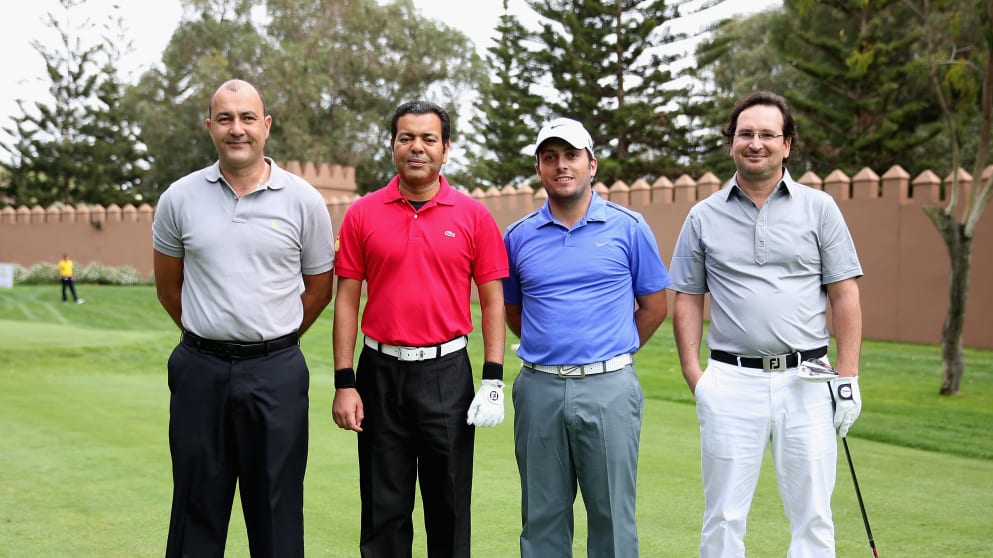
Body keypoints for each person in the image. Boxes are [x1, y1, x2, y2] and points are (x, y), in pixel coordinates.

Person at [670, 91, 864, 557]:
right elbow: (688, 299)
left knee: (814, 515)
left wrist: (849, 375)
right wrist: (695, 376)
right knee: (723, 517)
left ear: (787, 144)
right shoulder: (703, 216)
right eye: (745, 134)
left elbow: (845, 294)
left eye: (767, 135)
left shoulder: (820, 209)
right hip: (732, 380)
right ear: (731, 142)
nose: (755, 143)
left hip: (808, 380)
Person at [152, 78, 335, 557]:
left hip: (276, 372)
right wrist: (209, 335)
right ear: (209, 126)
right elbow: (169, 288)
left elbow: (319, 289)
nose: (238, 129)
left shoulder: (304, 200)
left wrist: (272, 341)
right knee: (196, 510)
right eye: (226, 118)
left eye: (248, 118)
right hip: (200, 371)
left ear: (266, 126)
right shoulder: (178, 198)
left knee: (276, 512)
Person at [330, 100, 509, 558]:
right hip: (379, 373)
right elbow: (347, 298)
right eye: (406, 137)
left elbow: (492, 300)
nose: (417, 148)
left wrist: (492, 378)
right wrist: (344, 382)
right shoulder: (362, 214)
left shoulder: (473, 216)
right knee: (383, 511)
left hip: (447, 372)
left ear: (445, 149)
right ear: (393, 146)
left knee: (448, 507)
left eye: (429, 139)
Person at [503, 117, 671, 558]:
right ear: (539, 169)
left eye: (571, 156)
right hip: (538, 388)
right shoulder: (517, 237)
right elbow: (514, 312)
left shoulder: (629, 227)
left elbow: (655, 308)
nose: (561, 166)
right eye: (550, 157)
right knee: (541, 519)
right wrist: (554, 349)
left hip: (609, 388)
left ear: (591, 165)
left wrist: (607, 350)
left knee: (613, 517)